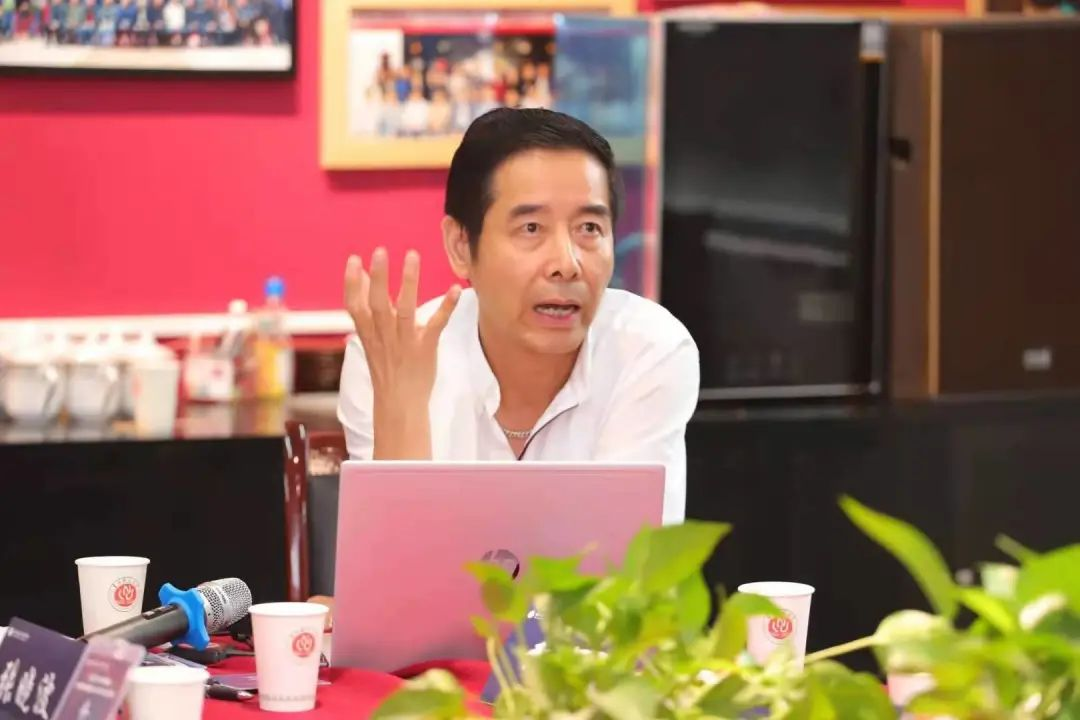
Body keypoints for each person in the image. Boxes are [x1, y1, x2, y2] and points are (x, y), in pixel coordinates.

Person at [337, 108, 699, 526]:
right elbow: (395, 559)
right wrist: (404, 411)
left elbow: (632, 559)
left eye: (589, 228)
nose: (567, 264)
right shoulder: (387, 361)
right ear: (461, 246)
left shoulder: (646, 352)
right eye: (531, 228)